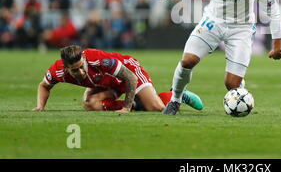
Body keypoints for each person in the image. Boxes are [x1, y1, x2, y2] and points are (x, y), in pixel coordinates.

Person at [151, 0, 281, 115]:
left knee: (231, 84)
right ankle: (175, 99)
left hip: (242, 28)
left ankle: (239, 92)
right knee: (187, 61)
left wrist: (277, 45)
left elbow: (272, 8)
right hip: (213, 21)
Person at [32, 45, 203, 113]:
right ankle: (138, 104)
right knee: (89, 103)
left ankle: (177, 95)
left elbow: (130, 78)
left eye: (82, 67)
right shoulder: (58, 71)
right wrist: (40, 106)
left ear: (84, 59)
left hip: (128, 71)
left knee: (157, 108)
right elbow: (44, 86)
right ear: (66, 68)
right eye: (75, 71)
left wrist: (126, 108)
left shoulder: (98, 59)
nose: (81, 73)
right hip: (107, 82)